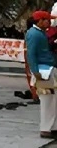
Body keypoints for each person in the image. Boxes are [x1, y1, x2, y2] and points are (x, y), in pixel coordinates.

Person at [26, 10, 57, 139]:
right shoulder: (34, 34)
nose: (49, 22)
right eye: (47, 20)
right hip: (43, 71)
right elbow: (31, 54)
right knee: (47, 100)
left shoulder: (40, 33)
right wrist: (35, 71)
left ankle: (52, 127)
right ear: (39, 21)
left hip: (48, 69)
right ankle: (46, 129)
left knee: (52, 100)